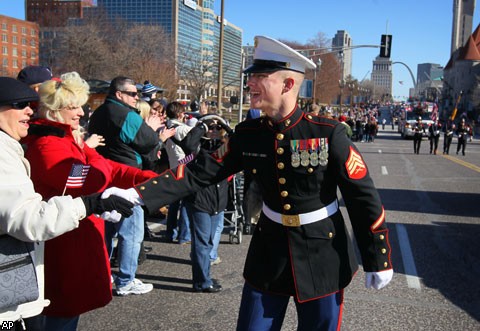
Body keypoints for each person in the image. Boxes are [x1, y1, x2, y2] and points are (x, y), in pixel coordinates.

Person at [109, 35, 393, 330]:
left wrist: (378, 257)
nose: (250, 84)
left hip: (322, 255)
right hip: (268, 253)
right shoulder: (248, 134)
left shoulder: (328, 133)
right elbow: (199, 172)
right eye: (251, 76)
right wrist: (137, 195)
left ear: (288, 84)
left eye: (260, 76)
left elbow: (363, 197)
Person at [0, 77, 135, 328]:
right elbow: (93, 179)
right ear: (55, 109)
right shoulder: (46, 145)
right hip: (51, 252)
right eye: (20, 104)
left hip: (49, 251)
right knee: (52, 321)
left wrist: (160, 178)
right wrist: (91, 162)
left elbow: (103, 170)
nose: (81, 113)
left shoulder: (56, 139)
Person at [87, 76, 163, 296]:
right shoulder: (126, 115)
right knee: (131, 232)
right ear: (119, 94)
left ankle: (104, 273)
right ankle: (126, 280)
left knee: (106, 229)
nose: (136, 97)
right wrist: (151, 128)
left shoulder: (99, 112)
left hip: (102, 175)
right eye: (132, 94)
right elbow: (148, 140)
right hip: (125, 178)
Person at [183, 118, 230, 292]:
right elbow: (187, 145)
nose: (214, 130)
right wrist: (201, 127)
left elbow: (239, 143)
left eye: (218, 127)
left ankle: (205, 277)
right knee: (201, 243)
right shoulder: (197, 147)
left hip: (218, 200)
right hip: (200, 200)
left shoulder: (223, 145)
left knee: (209, 243)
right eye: (211, 127)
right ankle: (202, 282)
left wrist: (225, 127)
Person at [163, 101, 192, 245]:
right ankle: (184, 235)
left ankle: (170, 233)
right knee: (186, 202)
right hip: (184, 167)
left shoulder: (164, 128)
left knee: (173, 203)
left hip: (171, 167)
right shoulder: (184, 129)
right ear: (180, 114)